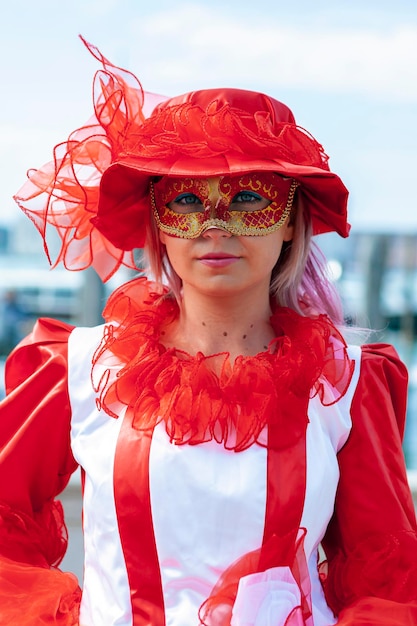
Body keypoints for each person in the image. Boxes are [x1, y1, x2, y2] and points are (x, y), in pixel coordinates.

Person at [0, 37, 417, 626]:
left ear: (292, 225)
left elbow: (387, 575)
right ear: (158, 227)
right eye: (185, 200)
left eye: (249, 198)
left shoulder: (347, 379)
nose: (214, 226)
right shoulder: (75, 369)